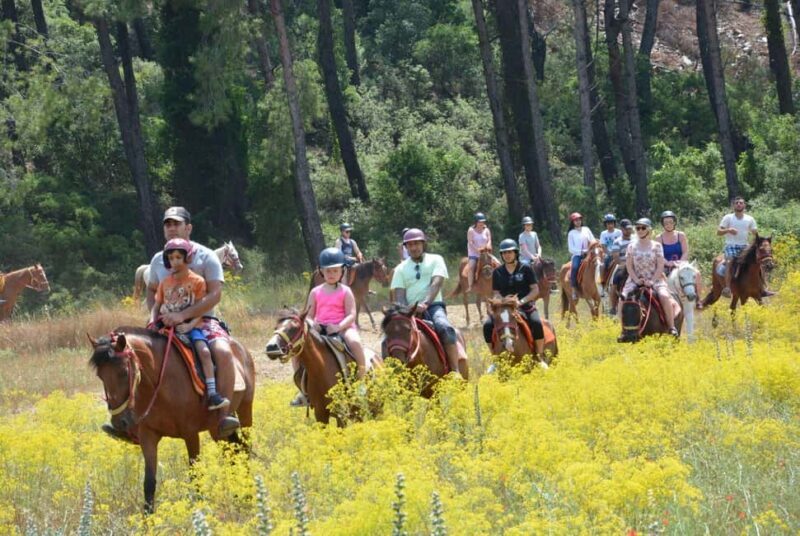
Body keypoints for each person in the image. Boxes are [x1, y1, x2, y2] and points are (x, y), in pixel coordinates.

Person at [145, 206, 240, 436]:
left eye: (176, 223)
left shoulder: (206, 256)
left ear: (188, 227)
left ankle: (223, 413)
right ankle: (138, 418)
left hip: (202, 321)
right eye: (167, 224)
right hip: (165, 321)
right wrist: (155, 318)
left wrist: (183, 316)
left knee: (223, 351)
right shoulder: (158, 260)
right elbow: (152, 291)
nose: (171, 228)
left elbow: (215, 294)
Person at [149, 238, 230, 410]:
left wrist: (189, 326)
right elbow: (156, 306)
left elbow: (200, 309)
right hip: (165, 326)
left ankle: (212, 392)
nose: (175, 262)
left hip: (191, 325)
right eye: (171, 258)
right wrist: (152, 321)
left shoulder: (198, 281)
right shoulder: (164, 283)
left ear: (188, 258)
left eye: (178, 257)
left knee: (204, 351)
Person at [391, 228, 468, 378]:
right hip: (408, 311)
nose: (413, 248)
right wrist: (407, 310)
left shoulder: (436, 259)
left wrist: (425, 304)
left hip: (433, 306)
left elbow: (436, 283)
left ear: (423, 244)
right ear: (406, 247)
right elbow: (399, 295)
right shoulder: (400, 269)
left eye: (416, 244)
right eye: (410, 245)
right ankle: (392, 377)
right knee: (388, 338)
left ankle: (454, 370)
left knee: (444, 327)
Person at [483, 239, 545, 356]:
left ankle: (539, 355)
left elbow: (535, 290)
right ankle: (494, 356)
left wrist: (520, 302)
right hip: (504, 308)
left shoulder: (525, 268)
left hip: (525, 306)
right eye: (504, 253)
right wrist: (502, 302)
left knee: (536, 323)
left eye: (510, 252)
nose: (507, 255)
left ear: (516, 253)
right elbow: (496, 293)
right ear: (501, 255)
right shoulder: (497, 272)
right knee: (487, 325)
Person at [621, 218, 680, 336]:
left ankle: (671, 326)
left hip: (655, 280)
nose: (640, 230)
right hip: (635, 280)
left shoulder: (657, 246)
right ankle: (623, 329)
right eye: (638, 228)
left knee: (664, 296)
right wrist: (637, 280)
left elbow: (660, 265)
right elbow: (629, 266)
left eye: (643, 228)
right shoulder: (631, 246)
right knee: (622, 299)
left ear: (649, 230)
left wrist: (652, 281)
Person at [717, 197, 758, 297]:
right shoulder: (728, 218)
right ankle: (727, 288)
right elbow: (718, 232)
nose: (739, 204)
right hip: (731, 245)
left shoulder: (749, 219)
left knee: (757, 260)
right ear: (733, 206)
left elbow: (755, 232)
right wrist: (728, 230)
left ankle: (760, 286)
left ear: (744, 205)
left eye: (741, 203)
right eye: (737, 203)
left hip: (745, 246)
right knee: (729, 261)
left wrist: (756, 236)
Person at [567, 212, 596, 301]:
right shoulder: (571, 233)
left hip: (590, 253)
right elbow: (571, 248)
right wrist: (581, 252)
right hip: (578, 255)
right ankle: (574, 289)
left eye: (579, 220)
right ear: (573, 222)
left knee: (599, 263)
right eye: (576, 220)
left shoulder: (586, 229)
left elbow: (592, 240)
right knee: (575, 267)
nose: (578, 221)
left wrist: (593, 246)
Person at [608, 219, 634, 315]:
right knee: (615, 281)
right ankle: (613, 307)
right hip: (623, 266)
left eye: (630, 229)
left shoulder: (635, 239)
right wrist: (625, 264)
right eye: (627, 229)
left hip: (636, 265)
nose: (629, 231)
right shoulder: (617, 242)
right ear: (622, 229)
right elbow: (616, 257)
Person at [465, 212, 494, 293]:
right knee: (471, 267)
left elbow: (489, 239)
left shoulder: (486, 230)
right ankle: (470, 286)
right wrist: (477, 250)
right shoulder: (471, 230)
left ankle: (497, 283)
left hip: (485, 253)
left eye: (483, 221)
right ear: (476, 222)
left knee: (497, 263)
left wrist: (488, 245)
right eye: (480, 222)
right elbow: (470, 242)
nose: (481, 223)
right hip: (474, 253)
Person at [599, 213, 621, 288]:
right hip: (608, 254)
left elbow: (621, 243)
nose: (610, 225)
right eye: (608, 223)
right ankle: (602, 282)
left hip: (619, 253)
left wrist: (617, 252)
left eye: (611, 223)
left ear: (614, 223)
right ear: (605, 224)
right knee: (602, 266)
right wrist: (609, 253)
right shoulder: (603, 234)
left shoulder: (619, 232)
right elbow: (603, 246)